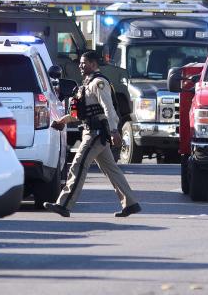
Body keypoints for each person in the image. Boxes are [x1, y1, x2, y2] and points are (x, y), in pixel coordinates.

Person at [44, 51, 141, 218]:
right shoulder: (86, 85)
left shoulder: (99, 83)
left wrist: (113, 131)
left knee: (78, 165)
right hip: (90, 131)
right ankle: (131, 204)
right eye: (81, 63)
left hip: (97, 133)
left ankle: (64, 204)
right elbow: (77, 114)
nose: (81, 66)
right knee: (111, 169)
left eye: (84, 63)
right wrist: (61, 121)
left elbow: (108, 109)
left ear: (94, 64)